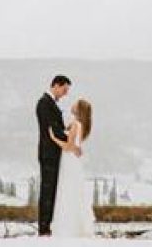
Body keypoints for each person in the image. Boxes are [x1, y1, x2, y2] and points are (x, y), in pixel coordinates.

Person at [35, 75, 77, 236]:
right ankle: (44, 228)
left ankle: (48, 226)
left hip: (54, 152)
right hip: (49, 154)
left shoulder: (50, 104)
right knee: (48, 190)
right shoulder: (44, 104)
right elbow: (53, 131)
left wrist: (69, 131)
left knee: (52, 190)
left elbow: (57, 129)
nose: (65, 94)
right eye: (65, 89)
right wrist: (72, 139)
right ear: (56, 86)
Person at [48, 98, 95, 237]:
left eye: (75, 104)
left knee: (67, 189)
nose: (72, 104)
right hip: (73, 160)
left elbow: (68, 146)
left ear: (79, 109)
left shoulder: (75, 124)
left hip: (69, 160)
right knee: (73, 190)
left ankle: (67, 226)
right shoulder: (79, 124)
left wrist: (53, 138)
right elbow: (75, 146)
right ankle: (74, 225)